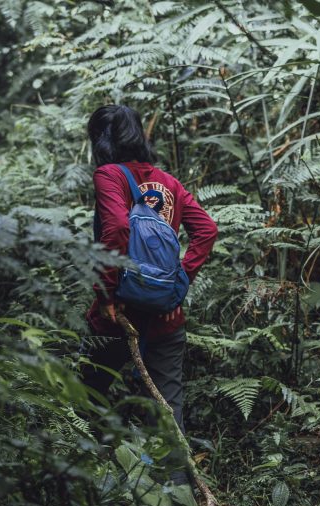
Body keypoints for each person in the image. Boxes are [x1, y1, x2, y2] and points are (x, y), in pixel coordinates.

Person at [82, 104, 218, 447]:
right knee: (167, 409)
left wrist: (107, 295)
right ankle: (178, 493)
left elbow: (115, 228)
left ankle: (88, 474)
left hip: (119, 313)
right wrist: (177, 288)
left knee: (88, 394)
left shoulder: (109, 175)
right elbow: (206, 230)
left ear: (100, 139)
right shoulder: (169, 182)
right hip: (164, 315)